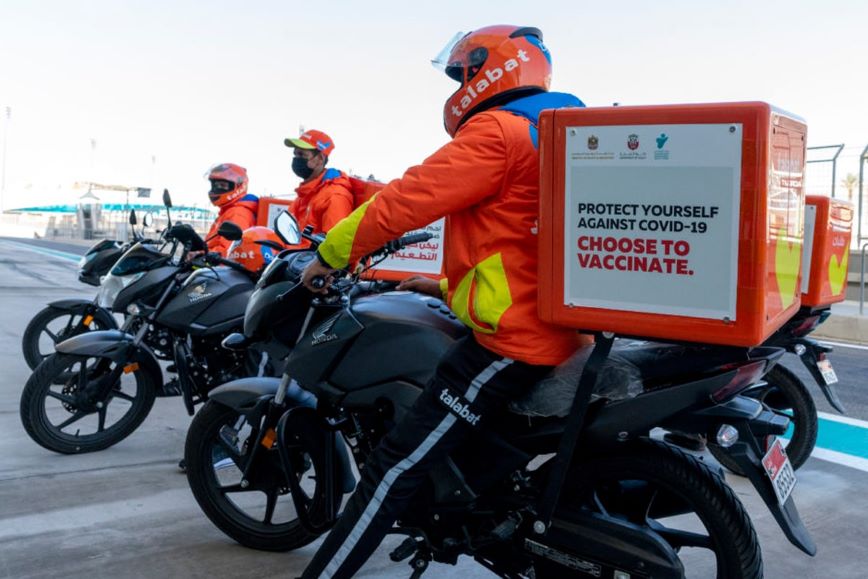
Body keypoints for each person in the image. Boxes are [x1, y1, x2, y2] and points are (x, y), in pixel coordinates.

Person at [299, 25, 590, 578]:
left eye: (461, 74)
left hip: (516, 342)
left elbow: (406, 200)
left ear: (487, 70)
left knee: (392, 468)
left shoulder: (499, 131)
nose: (458, 86)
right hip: (558, 324)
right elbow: (521, 246)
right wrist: (443, 287)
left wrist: (330, 255)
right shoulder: (550, 132)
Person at [284, 129, 354, 241]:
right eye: (295, 154)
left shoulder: (334, 196)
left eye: (302, 154)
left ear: (320, 159)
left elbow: (333, 245)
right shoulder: (305, 193)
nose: (297, 159)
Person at [205, 163, 259, 256]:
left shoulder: (237, 214)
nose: (216, 189)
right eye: (215, 185)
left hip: (217, 264)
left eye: (222, 185)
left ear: (238, 186)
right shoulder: (227, 211)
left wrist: (201, 254)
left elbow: (228, 251)